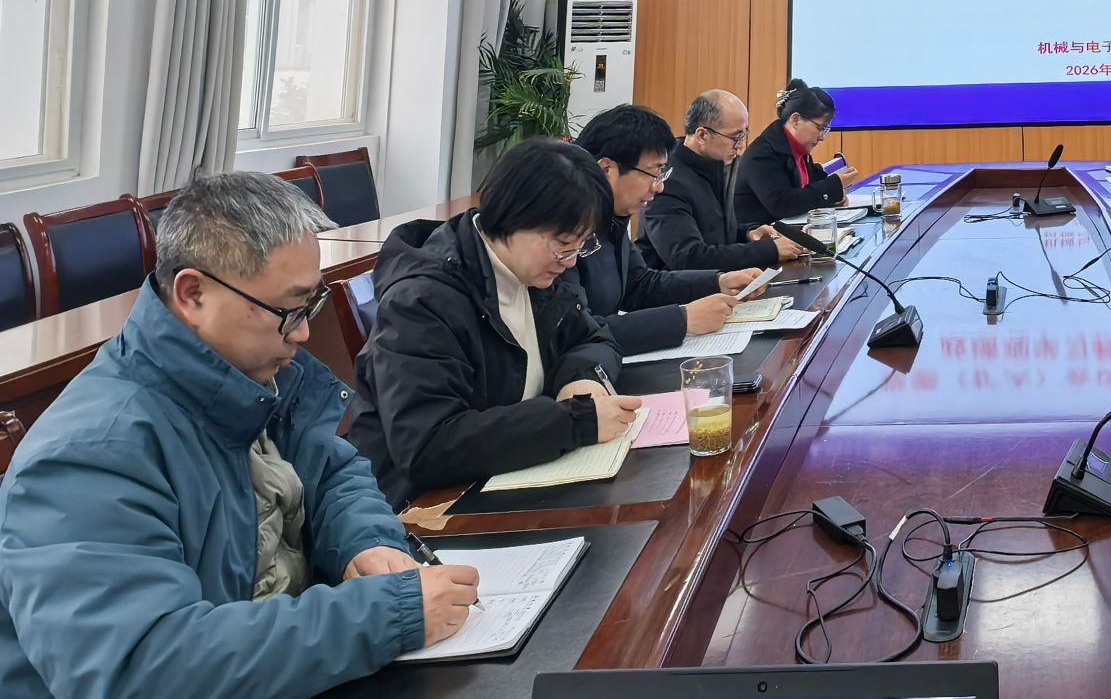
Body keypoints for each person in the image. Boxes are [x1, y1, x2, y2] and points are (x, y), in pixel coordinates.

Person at [0, 172, 480, 699]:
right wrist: (385, 616)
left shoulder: (256, 373)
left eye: (311, 304)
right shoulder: (87, 457)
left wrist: (364, 542)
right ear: (193, 294)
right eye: (288, 311)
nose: (303, 332)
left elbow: (334, 471)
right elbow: (142, 668)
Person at [349, 139, 642, 507]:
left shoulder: (536, 274)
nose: (570, 262)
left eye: (580, 245)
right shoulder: (423, 301)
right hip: (429, 508)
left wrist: (580, 379)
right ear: (513, 217)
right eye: (564, 244)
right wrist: (573, 422)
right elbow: (427, 446)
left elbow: (596, 337)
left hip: (509, 477)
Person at [567, 104, 762, 354]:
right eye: (653, 173)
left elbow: (640, 285)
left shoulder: (612, 217)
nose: (658, 187)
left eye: (662, 174)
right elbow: (577, 331)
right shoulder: (564, 232)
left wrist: (718, 282)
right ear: (607, 170)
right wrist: (682, 320)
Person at [640, 90, 802, 272]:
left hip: (720, 281)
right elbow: (688, 258)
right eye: (736, 137)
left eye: (744, 135)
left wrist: (747, 233)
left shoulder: (717, 166)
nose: (741, 145)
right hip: (685, 287)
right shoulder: (668, 182)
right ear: (702, 135)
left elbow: (713, 232)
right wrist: (767, 251)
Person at [733, 79, 857, 227]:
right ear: (796, 120)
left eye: (825, 130)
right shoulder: (763, 155)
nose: (822, 137)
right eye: (820, 128)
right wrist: (833, 186)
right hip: (756, 236)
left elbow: (811, 189)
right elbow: (784, 204)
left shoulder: (798, 149)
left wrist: (836, 194)